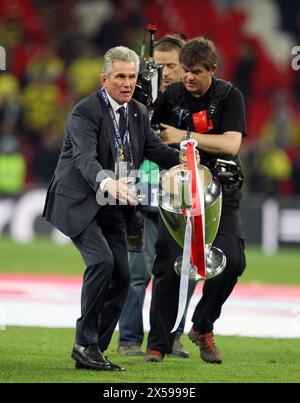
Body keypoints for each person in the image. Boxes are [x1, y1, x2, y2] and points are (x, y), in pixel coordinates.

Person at [43, 46, 181, 372]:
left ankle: (94, 349)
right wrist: (108, 183)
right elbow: (84, 159)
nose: (127, 83)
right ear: (104, 78)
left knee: (122, 275)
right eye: (120, 76)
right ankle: (85, 343)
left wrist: (184, 158)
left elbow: (155, 150)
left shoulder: (136, 112)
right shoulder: (85, 112)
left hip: (115, 207)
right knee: (102, 262)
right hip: (81, 201)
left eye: (132, 77)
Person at [145, 37, 247, 363]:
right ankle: (158, 346)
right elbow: (152, 135)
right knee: (167, 265)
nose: (188, 77)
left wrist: (184, 137)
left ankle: (202, 326)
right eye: (185, 71)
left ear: (212, 70)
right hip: (178, 194)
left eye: (196, 72)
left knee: (233, 261)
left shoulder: (230, 96)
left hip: (222, 192)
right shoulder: (169, 97)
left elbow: (231, 145)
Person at [118, 35, 196, 358]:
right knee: (137, 272)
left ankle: (171, 337)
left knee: (183, 273)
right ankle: (129, 341)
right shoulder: (133, 101)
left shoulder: (193, 104)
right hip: (139, 195)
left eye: (171, 66)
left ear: (184, 68)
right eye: (158, 66)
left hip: (178, 198)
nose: (164, 72)